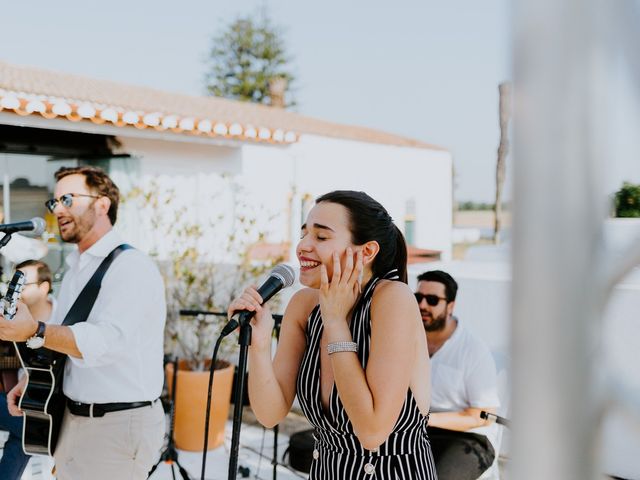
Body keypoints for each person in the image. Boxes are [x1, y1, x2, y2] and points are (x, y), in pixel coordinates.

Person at [229, 190, 437, 479]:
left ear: (366, 252)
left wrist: (336, 321)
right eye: (304, 234)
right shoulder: (303, 305)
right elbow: (269, 413)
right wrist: (260, 343)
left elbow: (372, 432)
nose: (303, 246)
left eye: (321, 237)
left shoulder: (393, 300)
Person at [0, 166, 166, 479]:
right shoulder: (77, 267)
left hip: (117, 423)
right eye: (54, 203)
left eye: (67, 199)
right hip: (73, 419)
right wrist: (32, 379)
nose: (57, 209)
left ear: (102, 204)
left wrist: (35, 330)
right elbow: (62, 341)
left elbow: (104, 343)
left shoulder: (131, 267)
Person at [415, 270, 500, 480]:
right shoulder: (408, 338)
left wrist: (426, 419)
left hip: (469, 438)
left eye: (432, 300)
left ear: (450, 306)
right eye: (418, 298)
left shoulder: (473, 350)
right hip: (417, 431)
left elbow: (482, 416)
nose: (422, 305)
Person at [0, 259, 56, 479]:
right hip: (11, 396)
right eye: (13, 281)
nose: (15, 288)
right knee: (27, 427)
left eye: (22, 282)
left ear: (44, 287)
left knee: (27, 430)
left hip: (49, 400)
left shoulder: (66, 318)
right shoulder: (7, 315)